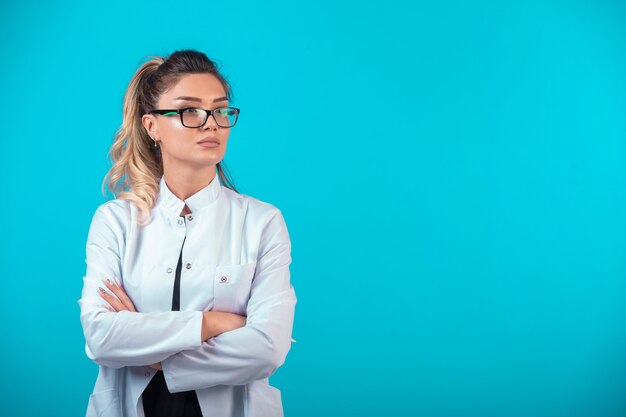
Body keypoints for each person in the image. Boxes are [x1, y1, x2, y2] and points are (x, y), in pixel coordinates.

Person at [77, 49, 297, 417]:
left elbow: (267, 348)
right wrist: (212, 324)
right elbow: (101, 337)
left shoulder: (262, 222)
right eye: (189, 110)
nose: (211, 123)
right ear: (152, 126)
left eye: (220, 110)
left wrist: (158, 358)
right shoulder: (115, 221)